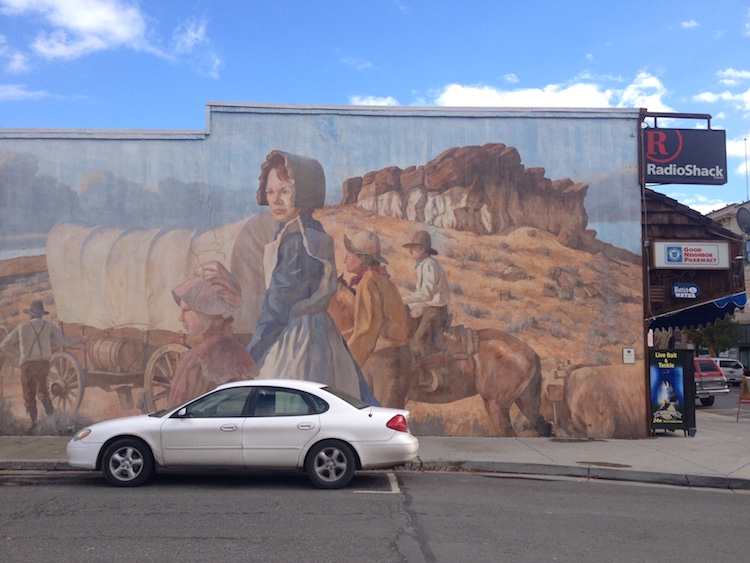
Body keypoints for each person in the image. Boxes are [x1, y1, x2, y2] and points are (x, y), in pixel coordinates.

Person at [247, 150, 371, 401]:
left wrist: (251, 356)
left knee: (286, 406)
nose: (275, 200)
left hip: (296, 343)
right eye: (270, 192)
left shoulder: (297, 242)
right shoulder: (312, 232)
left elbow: (277, 306)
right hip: (323, 336)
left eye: (284, 191)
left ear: (303, 193)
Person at [167, 261, 258, 408]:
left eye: (187, 310)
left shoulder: (194, 362)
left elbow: (173, 414)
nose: (180, 318)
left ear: (207, 311)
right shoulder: (241, 353)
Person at [343, 230, 411, 408]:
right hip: (388, 357)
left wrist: (346, 360)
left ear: (361, 258)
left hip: (385, 362)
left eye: (348, 255)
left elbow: (367, 330)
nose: (344, 260)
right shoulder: (377, 279)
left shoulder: (369, 282)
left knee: (384, 419)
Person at [0, 300, 88, 432]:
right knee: (43, 391)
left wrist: (17, 354)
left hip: (27, 365)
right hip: (43, 364)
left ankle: (34, 423)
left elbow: (4, 345)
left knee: (28, 394)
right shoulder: (49, 326)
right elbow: (63, 341)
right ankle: (52, 418)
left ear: (30, 314)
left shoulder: (22, 327)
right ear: (41, 314)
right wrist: (80, 340)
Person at [402, 230, 451, 388]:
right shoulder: (425, 265)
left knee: (419, 338)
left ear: (422, 250)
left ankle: (433, 374)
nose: (411, 251)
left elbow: (427, 294)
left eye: (414, 247)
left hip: (435, 311)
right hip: (430, 308)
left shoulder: (428, 265)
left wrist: (404, 300)